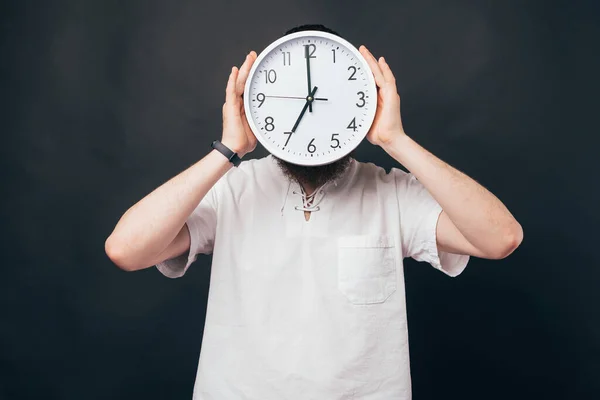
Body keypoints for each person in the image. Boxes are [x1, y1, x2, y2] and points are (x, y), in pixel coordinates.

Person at [105, 24, 523, 400]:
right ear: (258, 105)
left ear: (364, 105)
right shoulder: (230, 189)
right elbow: (127, 250)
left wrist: (395, 140)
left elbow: (501, 238)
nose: (312, 115)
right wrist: (228, 151)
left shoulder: (391, 192)